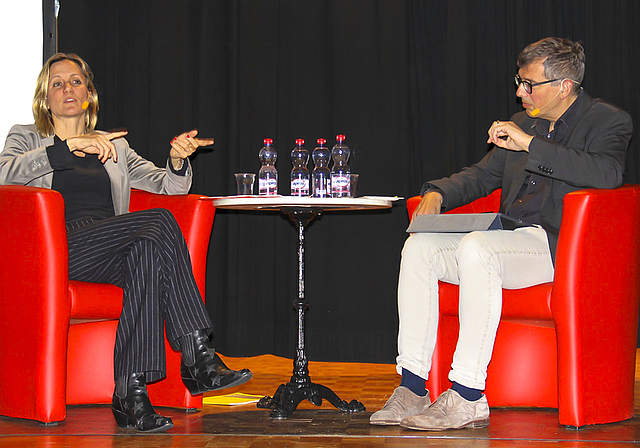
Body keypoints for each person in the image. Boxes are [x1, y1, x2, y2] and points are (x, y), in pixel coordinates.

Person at [370, 37, 632, 431]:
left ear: (564, 85)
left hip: (558, 245)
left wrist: (530, 144)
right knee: (420, 246)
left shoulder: (607, 120)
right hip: (507, 238)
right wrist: (438, 192)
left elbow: (607, 175)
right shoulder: (524, 121)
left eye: (529, 84)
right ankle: (412, 386)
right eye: (519, 81)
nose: (519, 92)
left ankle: (468, 395)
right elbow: (483, 175)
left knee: (479, 247)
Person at [0, 53, 252, 433]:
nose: (68, 88)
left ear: (89, 94)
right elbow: (6, 173)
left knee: (147, 251)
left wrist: (177, 160)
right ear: (44, 99)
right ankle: (197, 355)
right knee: (158, 222)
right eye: (57, 83)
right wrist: (67, 147)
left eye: (76, 81)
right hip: (58, 246)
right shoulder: (27, 136)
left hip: (110, 243)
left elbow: (168, 187)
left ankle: (130, 394)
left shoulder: (114, 147)